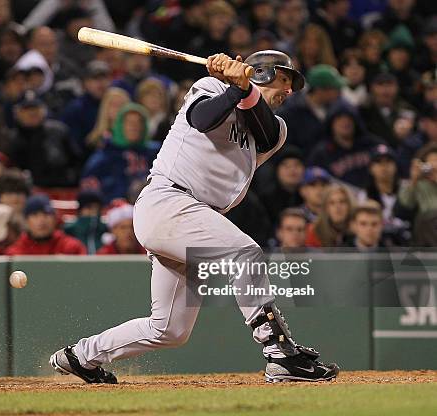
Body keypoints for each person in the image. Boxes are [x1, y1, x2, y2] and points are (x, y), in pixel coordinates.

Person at [50, 51, 339, 384]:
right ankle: (279, 352)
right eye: (284, 80)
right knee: (245, 255)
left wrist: (244, 89)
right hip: (169, 202)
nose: (289, 91)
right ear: (259, 72)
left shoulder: (277, 128)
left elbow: (266, 133)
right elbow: (202, 120)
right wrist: (234, 88)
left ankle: (81, 356)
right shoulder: (210, 86)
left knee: (169, 329)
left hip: (194, 218)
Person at [81, 103, 160, 203]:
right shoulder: (104, 156)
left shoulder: (156, 153)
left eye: (139, 123)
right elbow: (88, 193)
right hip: (115, 209)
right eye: (129, 123)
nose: (134, 127)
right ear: (119, 125)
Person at [5, 195, 87, 255]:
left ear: (55, 219)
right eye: (35, 215)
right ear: (26, 221)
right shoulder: (15, 253)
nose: (42, 220)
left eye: (46, 214)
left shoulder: (72, 248)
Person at [63, 190, 108, 255]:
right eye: (89, 207)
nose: (94, 211)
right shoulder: (69, 230)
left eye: (97, 208)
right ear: (80, 210)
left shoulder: (105, 229)